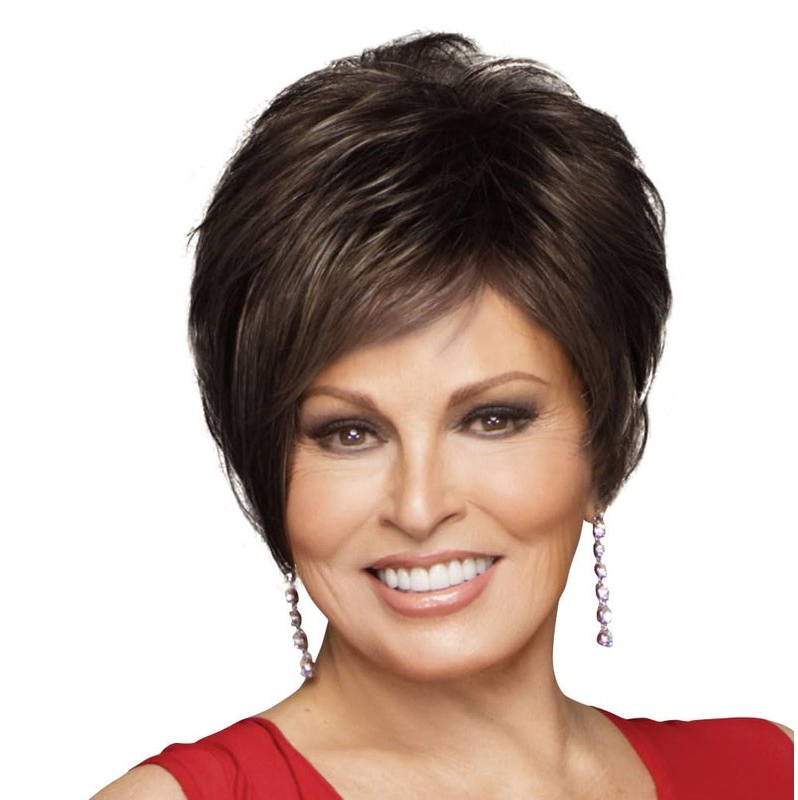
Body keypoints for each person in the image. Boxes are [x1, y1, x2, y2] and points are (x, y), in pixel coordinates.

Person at [93, 32, 793, 799]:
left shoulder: (768, 773)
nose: (420, 507)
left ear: (606, 446)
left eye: (491, 419)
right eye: (350, 434)